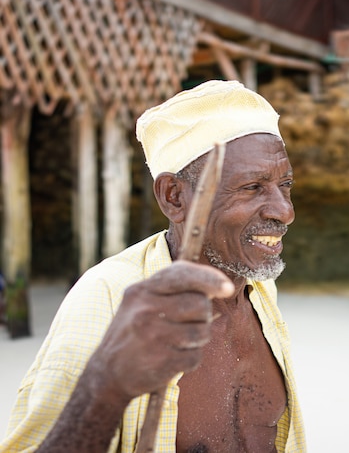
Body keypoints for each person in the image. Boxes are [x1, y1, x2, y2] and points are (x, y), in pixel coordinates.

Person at [1, 80, 306, 452]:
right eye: (252, 187)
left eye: (285, 184)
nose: (285, 212)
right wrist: (105, 389)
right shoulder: (109, 300)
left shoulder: (257, 290)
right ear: (174, 197)